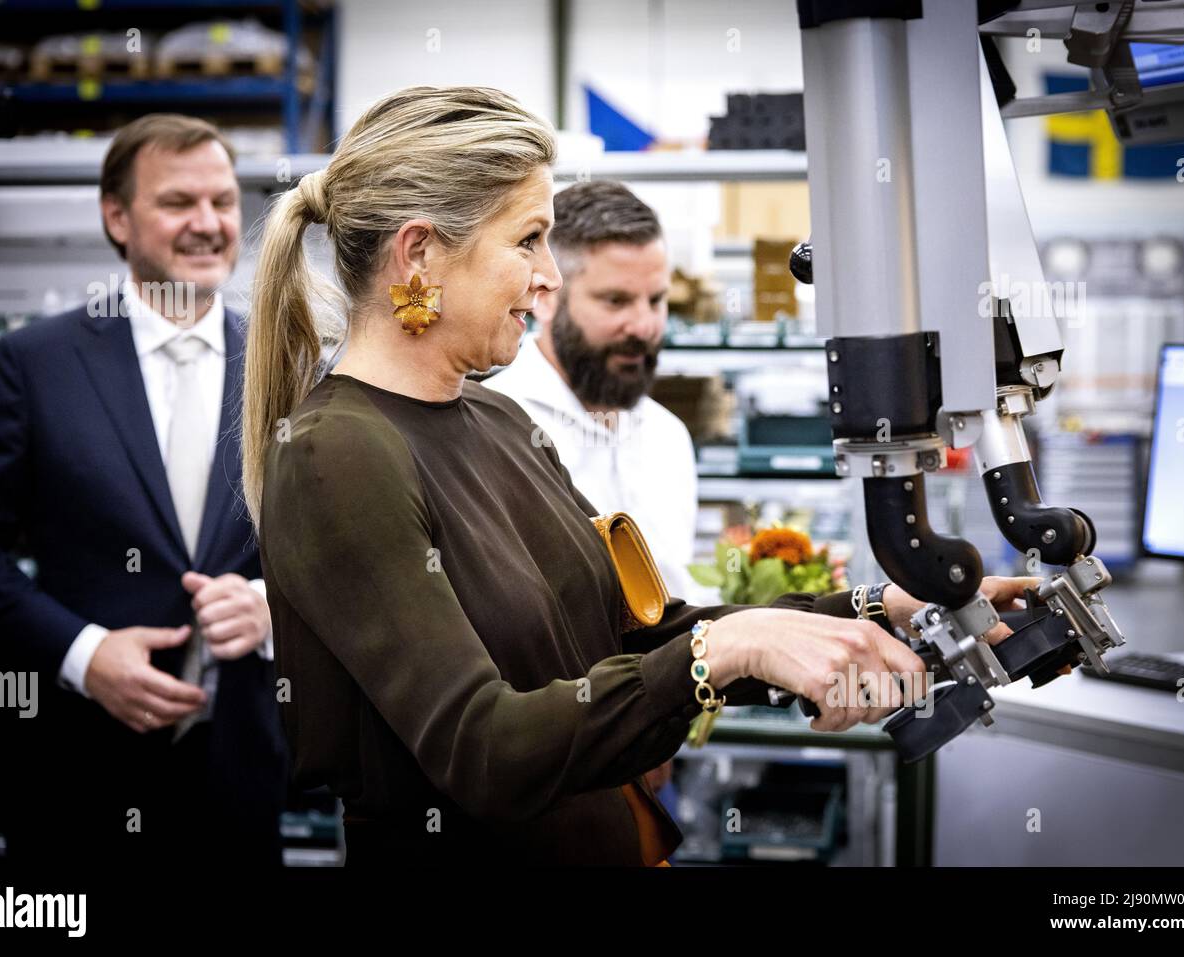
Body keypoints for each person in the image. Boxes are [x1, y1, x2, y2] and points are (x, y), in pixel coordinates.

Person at [242, 85, 1035, 866]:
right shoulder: (334, 453)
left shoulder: (499, 422)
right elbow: (483, 747)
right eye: (528, 240)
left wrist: (882, 607)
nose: (548, 276)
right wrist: (725, 649)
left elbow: (642, 629)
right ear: (419, 252)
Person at [0, 114, 287, 865]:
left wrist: (267, 607)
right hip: (73, 775)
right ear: (117, 216)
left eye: (223, 202)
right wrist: (83, 653)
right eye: (178, 202)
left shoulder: (283, 366)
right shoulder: (35, 362)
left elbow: (333, 551)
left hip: (239, 778)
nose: (207, 224)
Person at [484, 180, 698, 601]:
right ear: (545, 297)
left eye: (655, 301)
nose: (643, 327)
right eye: (615, 301)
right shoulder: (496, 429)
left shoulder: (668, 435)